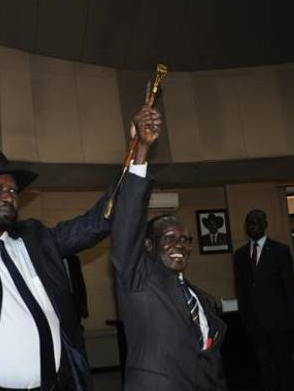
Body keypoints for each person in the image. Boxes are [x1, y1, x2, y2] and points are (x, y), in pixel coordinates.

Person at [0, 51, 163, 387]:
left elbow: (100, 220)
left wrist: (139, 151)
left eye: (12, 189)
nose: (8, 194)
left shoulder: (36, 237)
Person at [110, 113, 227, 390]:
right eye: (170, 238)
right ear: (149, 245)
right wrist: (141, 149)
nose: (181, 245)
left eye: (185, 239)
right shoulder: (137, 280)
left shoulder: (199, 297)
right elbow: (126, 224)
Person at [233, 209, 294, 391]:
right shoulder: (240, 255)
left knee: (284, 364)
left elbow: (289, 286)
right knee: (264, 365)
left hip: (280, 321)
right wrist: (245, 318)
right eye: (249, 223)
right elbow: (241, 289)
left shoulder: (279, 250)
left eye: (255, 222)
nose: (251, 226)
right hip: (256, 323)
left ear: (265, 225)